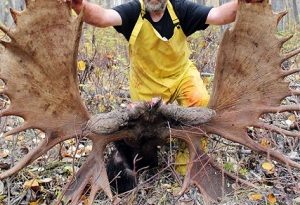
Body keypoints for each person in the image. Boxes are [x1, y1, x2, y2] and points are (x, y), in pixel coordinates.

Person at [66, 0, 263, 193]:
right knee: (144, 134)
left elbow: (218, 15)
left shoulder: (181, 9)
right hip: (147, 85)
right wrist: (79, 5)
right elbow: (103, 17)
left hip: (181, 76)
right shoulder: (134, 11)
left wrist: (243, 3)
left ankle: (187, 163)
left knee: (200, 102)